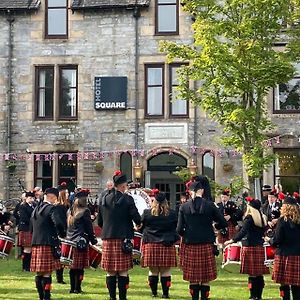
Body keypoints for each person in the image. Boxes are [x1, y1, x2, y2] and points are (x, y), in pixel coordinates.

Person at [177, 181, 227, 300]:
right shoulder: (210, 205)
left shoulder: (183, 207)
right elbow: (223, 223)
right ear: (202, 191)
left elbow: (179, 229)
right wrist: (215, 227)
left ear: (190, 192)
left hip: (190, 244)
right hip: (206, 243)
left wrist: (187, 234)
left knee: (193, 277)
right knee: (205, 277)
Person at [98, 170, 141, 300]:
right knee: (123, 270)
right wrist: (138, 224)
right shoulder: (128, 199)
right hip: (123, 237)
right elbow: (136, 217)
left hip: (108, 237)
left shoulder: (104, 198)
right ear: (122, 186)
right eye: (126, 185)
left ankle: (112, 298)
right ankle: (122, 298)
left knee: (110, 271)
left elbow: (100, 221)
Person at [225, 197, 268, 300]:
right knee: (259, 274)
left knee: (252, 275)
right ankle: (259, 296)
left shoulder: (249, 218)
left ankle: (253, 296)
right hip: (260, 247)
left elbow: (242, 232)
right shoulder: (262, 218)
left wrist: (232, 240)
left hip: (250, 247)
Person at [30, 187, 67, 300]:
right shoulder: (51, 208)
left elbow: (31, 227)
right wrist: (62, 233)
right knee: (47, 273)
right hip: (48, 243)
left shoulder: (36, 209)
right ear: (53, 197)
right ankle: (46, 297)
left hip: (36, 242)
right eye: (55, 198)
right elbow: (59, 223)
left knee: (39, 273)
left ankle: (41, 296)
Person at [140, 192, 179, 298]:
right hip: (167, 244)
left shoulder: (147, 212)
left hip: (151, 244)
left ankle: (154, 293)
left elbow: (140, 226)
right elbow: (177, 228)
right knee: (166, 271)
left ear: (154, 201)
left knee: (153, 271)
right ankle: (165, 294)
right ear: (166, 202)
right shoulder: (172, 213)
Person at [67, 188, 97, 294]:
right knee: (80, 268)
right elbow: (89, 228)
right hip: (81, 242)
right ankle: (77, 288)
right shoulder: (85, 211)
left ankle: (72, 288)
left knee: (73, 267)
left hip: (71, 241)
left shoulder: (70, 211)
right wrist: (94, 241)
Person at [270, 196, 300, 300]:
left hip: (284, 255)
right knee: (297, 285)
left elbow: (277, 239)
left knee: (284, 284)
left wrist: (270, 241)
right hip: (298, 255)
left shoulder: (282, 220)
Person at [55, 182, 70, 284]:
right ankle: (59, 278)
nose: (69, 194)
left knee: (62, 256)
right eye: (67, 192)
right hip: (60, 234)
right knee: (60, 256)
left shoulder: (66, 205)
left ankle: (60, 278)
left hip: (64, 232)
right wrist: (63, 233)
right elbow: (59, 222)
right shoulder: (59, 207)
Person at [18, 191, 35, 271]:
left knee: (30, 248)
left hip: (31, 229)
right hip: (25, 228)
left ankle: (29, 266)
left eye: (32, 198)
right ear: (26, 198)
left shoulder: (34, 206)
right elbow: (24, 218)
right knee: (27, 249)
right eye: (30, 198)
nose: (31, 199)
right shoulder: (23, 206)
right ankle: (25, 267)